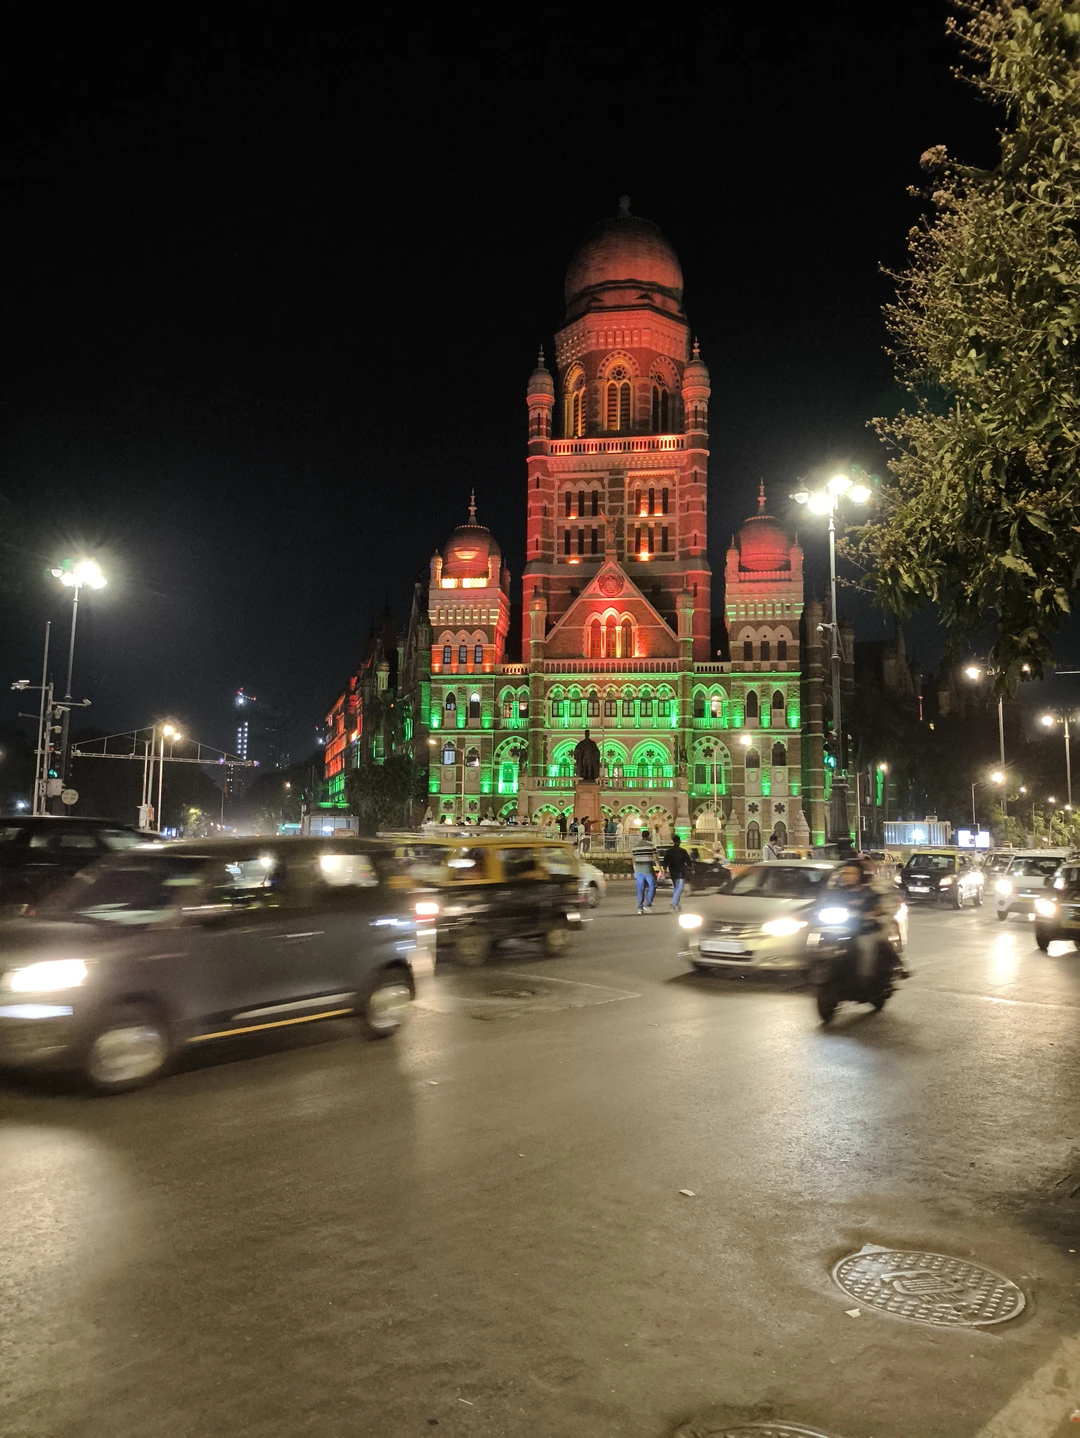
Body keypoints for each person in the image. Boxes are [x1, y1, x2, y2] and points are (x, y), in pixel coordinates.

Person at [632, 827, 660, 913]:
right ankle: (647, 905)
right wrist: (660, 869)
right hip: (648, 869)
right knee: (652, 886)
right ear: (648, 836)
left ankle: (640, 907)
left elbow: (633, 860)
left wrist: (635, 871)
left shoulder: (635, 847)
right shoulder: (651, 845)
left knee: (640, 889)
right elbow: (655, 859)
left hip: (638, 870)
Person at [664, 834, 693, 911]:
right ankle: (673, 902)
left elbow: (665, 861)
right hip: (680, 871)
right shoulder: (683, 851)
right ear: (679, 841)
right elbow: (688, 861)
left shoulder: (669, 851)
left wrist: (664, 870)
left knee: (676, 887)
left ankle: (677, 904)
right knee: (680, 887)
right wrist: (691, 868)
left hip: (672, 871)